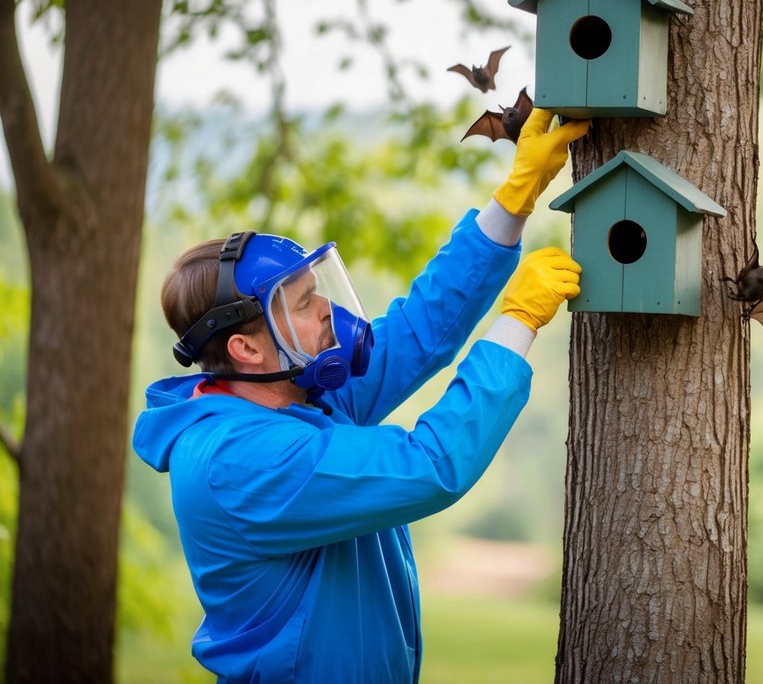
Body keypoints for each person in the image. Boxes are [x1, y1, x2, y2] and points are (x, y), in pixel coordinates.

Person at [132, 108, 588, 683]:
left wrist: (514, 199)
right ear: (247, 349)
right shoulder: (240, 460)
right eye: (301, 303)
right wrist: (517, 321)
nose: (326, 308)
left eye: (314, 289)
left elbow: (419, 332)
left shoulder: (299, 397)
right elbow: (429, 465)